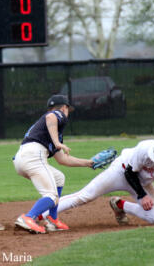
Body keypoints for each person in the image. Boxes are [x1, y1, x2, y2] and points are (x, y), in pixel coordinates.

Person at [41, 135, 154, 225]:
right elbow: (129, 173)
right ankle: (39, 213)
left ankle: (119, 205)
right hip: (121, 171)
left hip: (142, 183)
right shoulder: (145, 148)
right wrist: (142, 195)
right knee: (84, 197)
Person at [13, 94, 94, 234]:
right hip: (33, 155)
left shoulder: (51, 130)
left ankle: (52, 218)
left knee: (59, 178)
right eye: (68, 109)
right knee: (51, 195)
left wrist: (89, 163)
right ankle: (28, 217)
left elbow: (63, 160)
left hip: (23, 159)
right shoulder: (57, 114)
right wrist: (57, 143)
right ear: (64, 108)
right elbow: (51, 116)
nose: (67, 113)